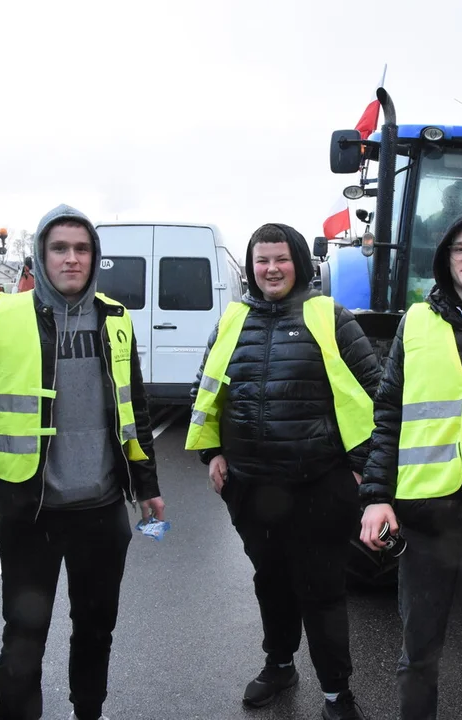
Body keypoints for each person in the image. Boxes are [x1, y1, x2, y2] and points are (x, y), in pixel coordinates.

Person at [0, 204, 165, 720]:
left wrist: (148, 487)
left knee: (96, 631)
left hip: (102, 511)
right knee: (23, 643)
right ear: (40, 256)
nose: (72, 259)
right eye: (60, 249)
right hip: (31, 514)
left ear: (95, 257)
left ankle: (88, 712)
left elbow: (133, 407)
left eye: (83, 249)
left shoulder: (116, 319)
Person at [186, 223, 380, 720]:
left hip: (319, 486)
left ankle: (337, 692)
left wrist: (360, 471)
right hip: (250, 489)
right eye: (261, 260)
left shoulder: (328, 316)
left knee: (322, 590)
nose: (271, 269)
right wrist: (212, 455)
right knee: (270, 581)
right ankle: (279, 665)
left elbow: (377, 390)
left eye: (281, 259)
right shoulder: (232, 320)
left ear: (299, 262)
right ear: (251, 267)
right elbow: (205, 391)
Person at [359, 210, 462, 720]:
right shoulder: (415, 322)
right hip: (423, 519)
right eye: (460, 249)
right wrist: (377, 496)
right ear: (445, 259)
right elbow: (389, 414)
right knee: (418, 654)